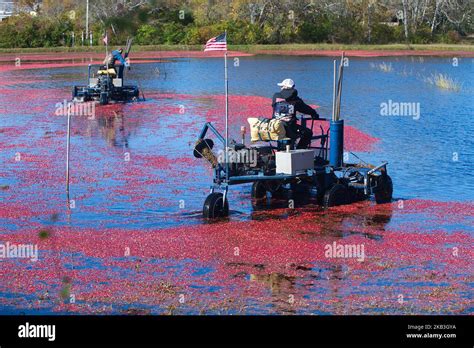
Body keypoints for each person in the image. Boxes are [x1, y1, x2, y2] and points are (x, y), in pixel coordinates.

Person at [272, 78, 319, 149]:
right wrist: (314, 113)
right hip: (289, 129)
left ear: (284, 87)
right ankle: (300, 150)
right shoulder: (295, 100)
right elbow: (305, 109)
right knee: (308, 133)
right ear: (293, 87)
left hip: (275, 127)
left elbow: (273, 106)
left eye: (282, 86)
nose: (281, 88)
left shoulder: (276, 96)